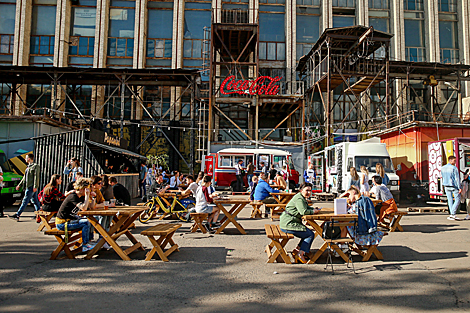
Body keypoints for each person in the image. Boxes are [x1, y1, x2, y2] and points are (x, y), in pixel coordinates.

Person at [280, 182, 320, 263]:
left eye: (310, 190)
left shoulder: (301, 197)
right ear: (301, 190)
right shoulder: (299, 198)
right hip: (289, 224)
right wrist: (313, 212)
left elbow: (305, 207)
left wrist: (313, 209)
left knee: (306, 232)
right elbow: (303, 211)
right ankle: (300, 254)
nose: (308, 192)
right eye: (307, 190)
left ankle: (297, 250)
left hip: (288, 222)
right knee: (310, 234)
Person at [55, 177, 95, 252]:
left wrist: (92, 197)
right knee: (86, 223)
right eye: (86, 189)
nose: (87, 191)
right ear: (81, 188)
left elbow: (91, 207)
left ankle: (89, 242)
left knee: (90, 221)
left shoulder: (80, 197)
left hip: (69, 220)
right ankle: (85, 245)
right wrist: (87, 196)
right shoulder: (73, 196)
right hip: (62, 223)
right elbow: (84, 208)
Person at [9, 153, 41, 221]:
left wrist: (35, 186)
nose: (25, 159)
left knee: (25, 201)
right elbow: (24, 177)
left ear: (29, 159)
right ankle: (39, 215)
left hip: (31, 187)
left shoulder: (35, 166)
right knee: (35, 201)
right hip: (28, 186)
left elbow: (36, 177)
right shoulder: (28, 167)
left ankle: (17, 215)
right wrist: (19, 185)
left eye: (26, 158)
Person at [441, 155, 462, 220]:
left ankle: (451, 214)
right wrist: (459, 187)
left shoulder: (443, 168)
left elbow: (442, 176)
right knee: (458, 199)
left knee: (450, 200)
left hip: (446, 185)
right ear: (450, 160)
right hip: (453, 185)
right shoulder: (454, 168)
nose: (455, 162)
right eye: (454, 160)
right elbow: (457, 178)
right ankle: (453, 213)